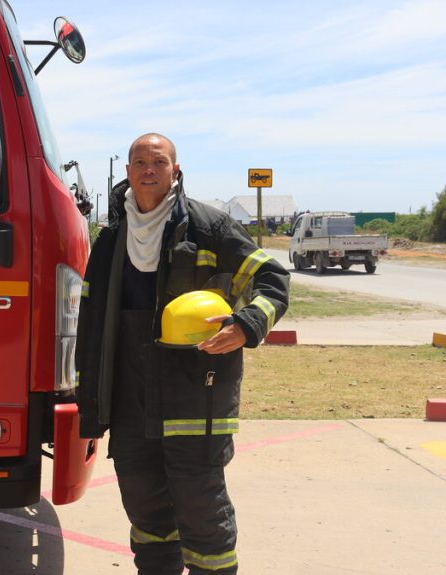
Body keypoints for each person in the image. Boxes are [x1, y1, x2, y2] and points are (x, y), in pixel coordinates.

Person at [76, 134, 290, 575]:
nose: (148, 169)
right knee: (144, 507)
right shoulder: (111, 239)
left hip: (197, 398)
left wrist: (247, 325)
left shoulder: (208, 227)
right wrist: (90, 404)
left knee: (202, 511)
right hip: (131, 401)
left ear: (176, 170)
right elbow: (92, 324)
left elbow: (272, 278)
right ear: (128, 173)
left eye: (159, 161)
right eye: (139, 162)